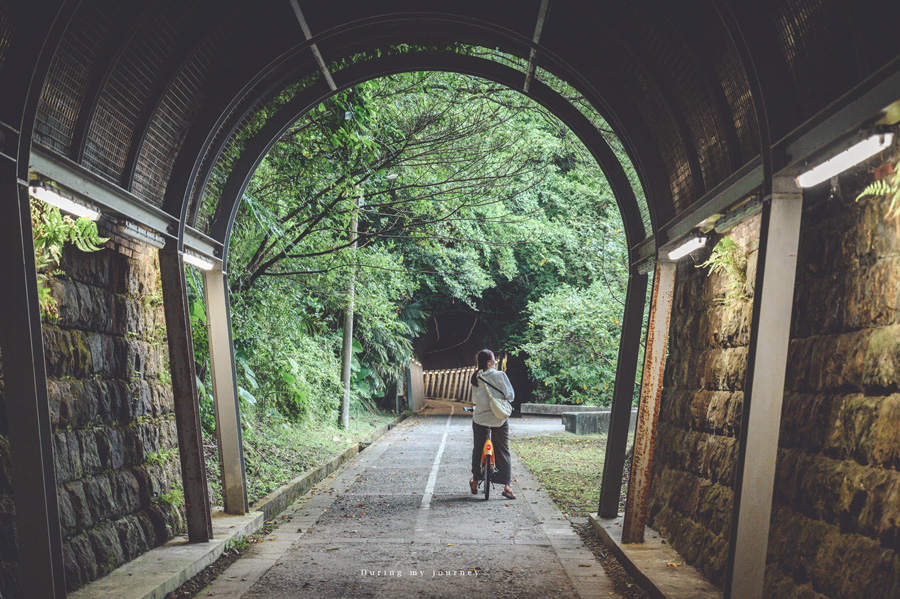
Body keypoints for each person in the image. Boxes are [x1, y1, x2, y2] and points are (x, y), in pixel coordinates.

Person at [468, 349, 516, 500]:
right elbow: (510, 396)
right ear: (489, 363)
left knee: (477, 449)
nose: (495, 362)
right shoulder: (500, 375)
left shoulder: (476, 377)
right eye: (494, 360)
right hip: (498, 419)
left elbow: (475, 400)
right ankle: (507, 486)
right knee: (503, 449)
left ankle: (475, 481)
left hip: (480, 420)